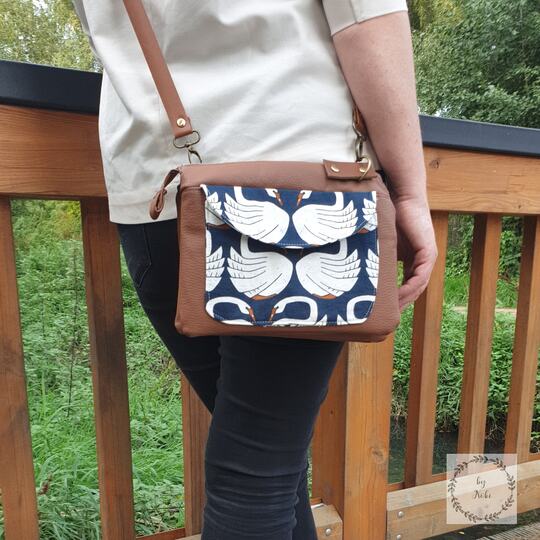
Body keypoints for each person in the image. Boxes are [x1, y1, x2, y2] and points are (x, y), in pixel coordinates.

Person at [72, 1, 437, 538]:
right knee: (255, 477)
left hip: (156, 196)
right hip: (304, 193)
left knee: (270, 472)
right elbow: (364, 20)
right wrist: (409, 193)